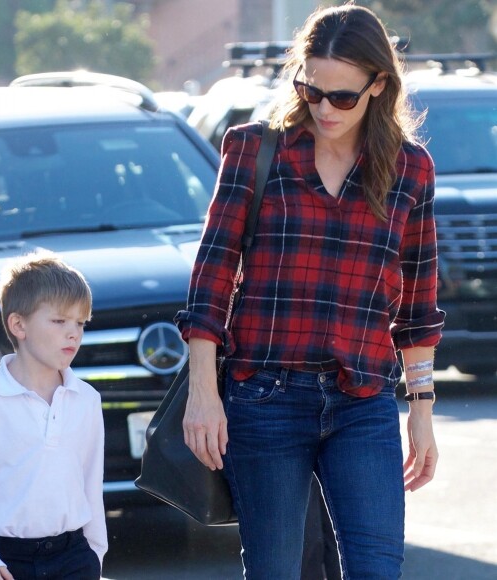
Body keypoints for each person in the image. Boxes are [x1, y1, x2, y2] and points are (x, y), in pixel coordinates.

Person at [175, 3, 445, 579]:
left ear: (378, 85)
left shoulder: (409, 169)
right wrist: (204, 391)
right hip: (264, 399)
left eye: (342, 96)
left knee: (377, 570)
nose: (324, 107)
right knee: (276, 572)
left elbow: (419, 306)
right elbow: (212, 273)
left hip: (362, 402)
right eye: (311, 90)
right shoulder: (254, 149)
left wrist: (421, 412)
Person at [0, 252, 107, 580]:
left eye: (80, 322)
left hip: (74, 556)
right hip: (4, 561)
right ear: (18, 325)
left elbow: (91, 482)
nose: (73, 333)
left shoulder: (86, 400)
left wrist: (95, 551)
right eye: (60, 321)